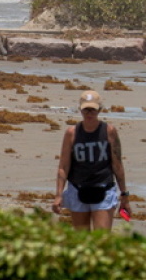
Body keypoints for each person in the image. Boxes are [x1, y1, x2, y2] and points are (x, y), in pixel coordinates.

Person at [52, 90, 131, 231]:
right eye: (86, 110)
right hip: (78, 189)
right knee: (82, 238)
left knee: (101, 238)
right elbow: (63, 166)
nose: (89, 113)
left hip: (103, 189)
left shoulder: (109, 131)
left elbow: (117, 165)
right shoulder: (71, 133)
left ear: (99, 110)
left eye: (93, 110)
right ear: (80, 110)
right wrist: (58, 195)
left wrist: (124, 195)